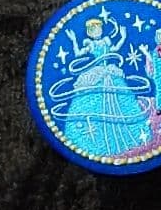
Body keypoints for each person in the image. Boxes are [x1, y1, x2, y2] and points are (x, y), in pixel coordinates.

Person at [58, 16, 150, 157]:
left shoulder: (106, 40)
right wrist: (74, 40)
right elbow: (78, 53)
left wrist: (123, 36)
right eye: (93, 29)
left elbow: (115, 49)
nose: (97, 31)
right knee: (95, 103)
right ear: (89, 32)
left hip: (110, 72)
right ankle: (99, 144)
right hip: (98, 74)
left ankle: (125, 139)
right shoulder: (90, 44)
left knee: (121, 101)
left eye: (99, 28)